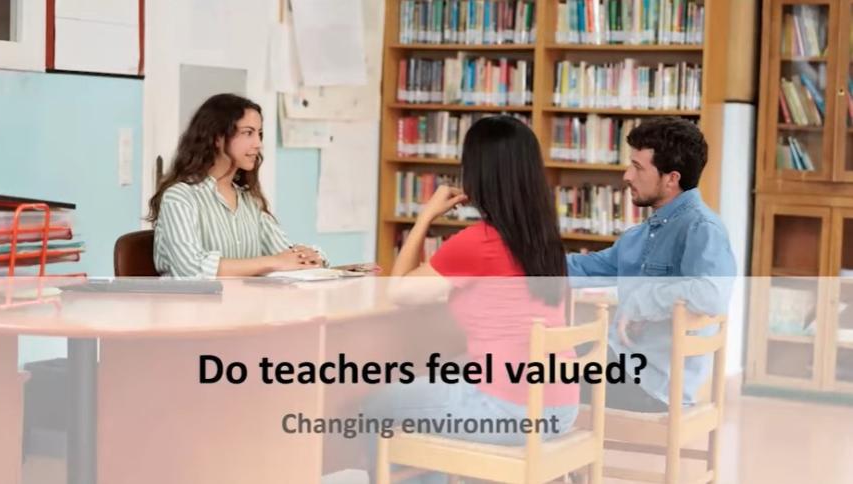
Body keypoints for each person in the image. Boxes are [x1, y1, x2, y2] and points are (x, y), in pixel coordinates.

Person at [364, 116, 579, 482]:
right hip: (560, 407)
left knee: (376, 407)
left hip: (510, 411)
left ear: (479, 174)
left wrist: (425, 217)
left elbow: (398, 290)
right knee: (439, 379)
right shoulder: (544, 240)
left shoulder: (478, 241)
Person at [567, 116, 735, 412]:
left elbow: (712, 294)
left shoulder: (702, 228)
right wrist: (518, 260)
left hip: (650, 384)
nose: (627, 176)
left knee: (528, 377)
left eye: (638, 167)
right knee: (534, 362)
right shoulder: (642, 234)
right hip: (618, 362)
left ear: (672, 178)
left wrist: (642, 302)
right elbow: (586, 267)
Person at [147, 93, 325, 277]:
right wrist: (274, 262)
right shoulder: (179, 197)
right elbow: (191, 269)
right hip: (193, 305)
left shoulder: (249, 201)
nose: (258, 144)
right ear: (217, 137)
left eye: (259, 134)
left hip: (244, 303)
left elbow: (285, 253)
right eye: (248, 133)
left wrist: (310, 258)